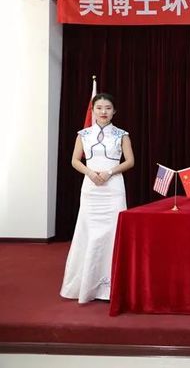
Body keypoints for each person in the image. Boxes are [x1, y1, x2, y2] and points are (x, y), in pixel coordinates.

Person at [60, 93, 134, 303]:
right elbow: (75, 160)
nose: (103, 112)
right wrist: (90, 173)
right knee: (89, 233)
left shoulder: (122, 135)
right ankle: (85, 285)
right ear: (92, 110)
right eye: (99, 108)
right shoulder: (83, 134)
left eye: (108, 108)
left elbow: (130, 161)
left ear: (114, 111)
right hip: (91, 190)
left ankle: (110, 287)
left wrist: (109, 172)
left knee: (112, 233)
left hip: (113, 189)